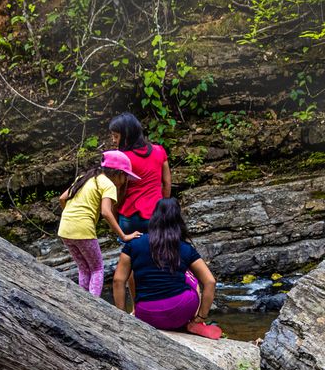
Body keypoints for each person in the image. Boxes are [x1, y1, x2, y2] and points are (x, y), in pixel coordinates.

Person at [113, 197, 220, 339]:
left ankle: (135, 310)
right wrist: (201, 315)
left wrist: (121, 314)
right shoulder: (185, 248)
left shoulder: (134, 244)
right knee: (190, 277)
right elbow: (210, 282)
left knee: (134, 272)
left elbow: (118, 281)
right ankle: (194, 322)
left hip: (146, 314)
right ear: (178, 219)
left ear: (154, 217)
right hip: (181, 310)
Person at [58, 150, 141, 295]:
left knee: (84, 269)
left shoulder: (84, 177)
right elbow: (106, 212)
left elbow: (62, 198)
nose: (126, 181)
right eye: (126, 176)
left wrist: (70, 216)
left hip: (65, 229)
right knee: (97, 269)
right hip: (82, 229)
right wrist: (124, 236)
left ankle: (82, 302)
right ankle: (93, 306)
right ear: (119, 173)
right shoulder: (108, 184)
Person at [108, 112, 171, 235]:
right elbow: (167, 183)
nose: (113, 140)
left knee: (132, 251)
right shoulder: (159, 150)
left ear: (127, 136)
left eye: (116, 136)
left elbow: (118, 191)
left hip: (131, 218)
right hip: (156, 214)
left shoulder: (122, 158)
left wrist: (114, 217)